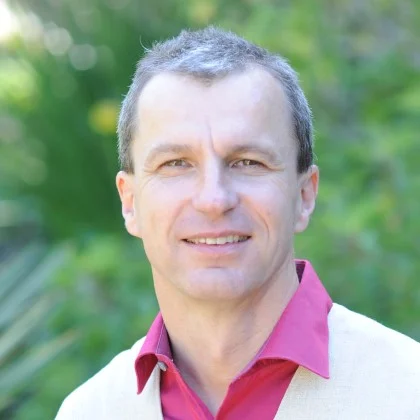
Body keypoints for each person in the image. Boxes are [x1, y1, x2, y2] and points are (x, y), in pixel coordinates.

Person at [56, 26, 420, 420]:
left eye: (248, 162)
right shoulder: (87, 411)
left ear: (304, 195)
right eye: (175, 164)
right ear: (130, 202)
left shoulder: (408, 393)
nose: (214, 200)